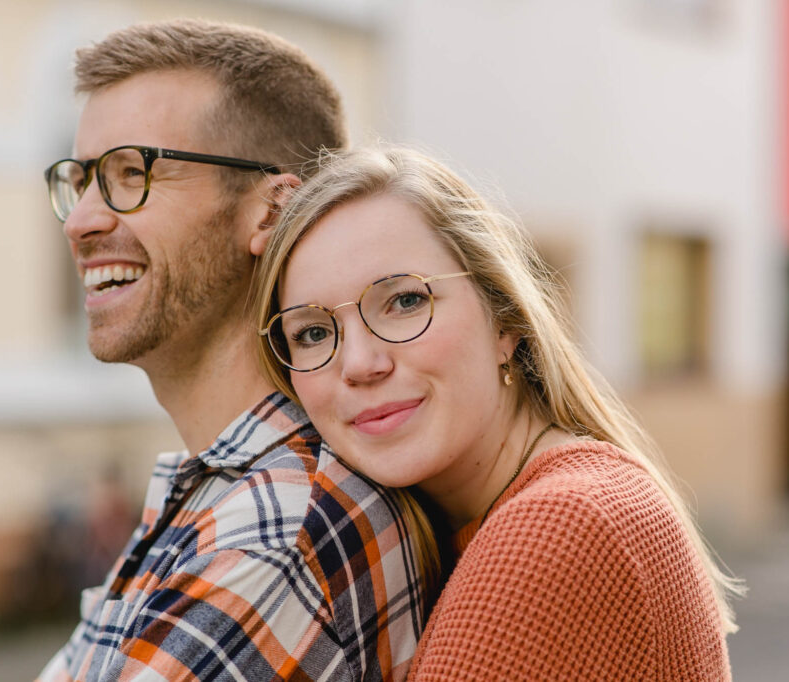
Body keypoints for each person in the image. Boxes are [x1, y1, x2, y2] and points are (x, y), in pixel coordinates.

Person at [253, 146, 742, 680]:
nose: (360, 364)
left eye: (405, 301)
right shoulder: (480, 523)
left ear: (504, 319)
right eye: (314, 332)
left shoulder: (559, 523)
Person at [37, 22, 426, 682]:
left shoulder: (278, 534)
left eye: (131, 173)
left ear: (271, 212)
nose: (80, 221)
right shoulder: (213, 490)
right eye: (80, 181)